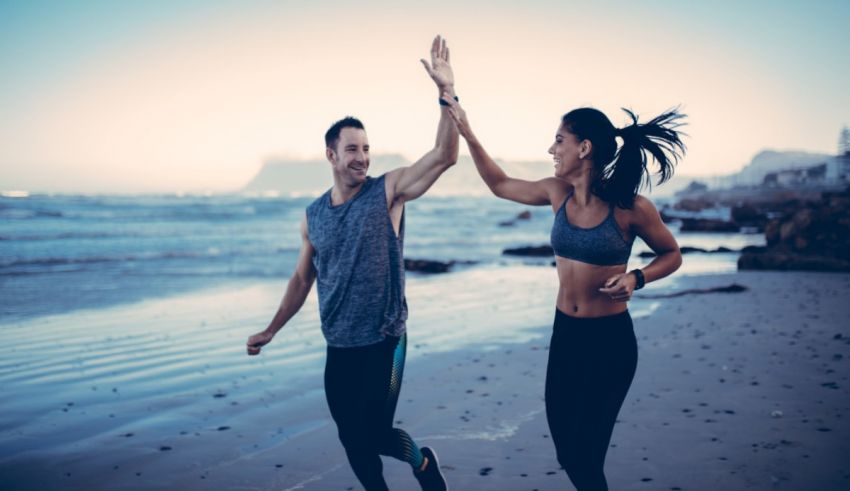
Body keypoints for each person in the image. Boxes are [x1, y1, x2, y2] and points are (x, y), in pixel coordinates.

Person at [245, 36, 458, 491]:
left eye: (366, 149)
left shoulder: (388, 192)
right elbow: (303, 278)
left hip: (384, 341)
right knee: (352, 442)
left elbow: (445, 156)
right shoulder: (313, 216)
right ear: (331, 155)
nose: (363, 158)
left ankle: (423, 464)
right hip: (338, 346)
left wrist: (447, 94)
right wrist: (271, 329)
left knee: (373, 433)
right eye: (353, 150)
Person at [445, 97, 685, 490]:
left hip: (610, 345)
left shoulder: (630, 208)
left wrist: (636, 278)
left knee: (586, 456)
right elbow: (500, 184)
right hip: (566, 336)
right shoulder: (558, 193)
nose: (552, 150)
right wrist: (468, 131)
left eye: (559, 140)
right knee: (566, 452)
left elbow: (672, 254)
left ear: (584, 148)